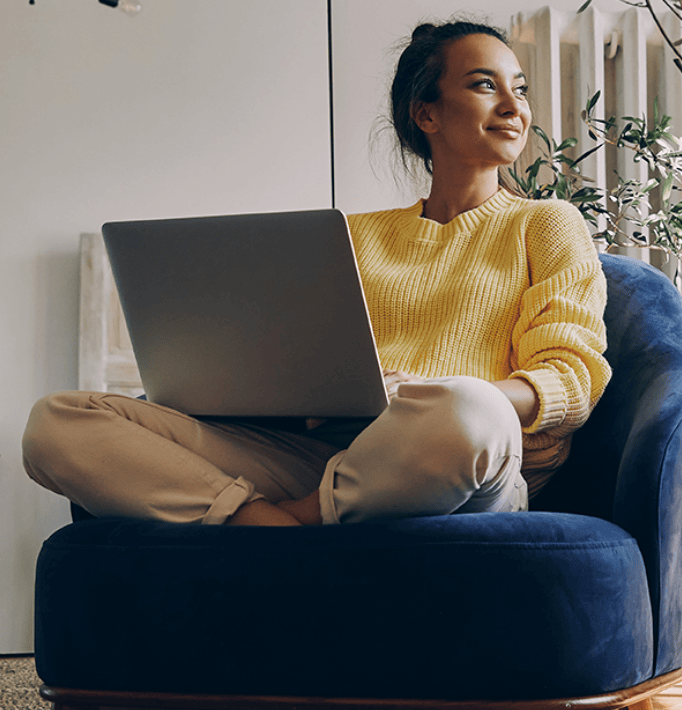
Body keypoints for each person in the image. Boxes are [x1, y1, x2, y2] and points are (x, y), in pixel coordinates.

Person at [21, 20, 611, 527]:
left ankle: (291, 521)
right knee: (57, 422)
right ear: (425, 113)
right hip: (319, 456)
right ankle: (260, 520)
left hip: (463, 463)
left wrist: (417, 393)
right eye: (486, 85)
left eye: (520, 89)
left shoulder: (547, 223)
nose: (515, 107)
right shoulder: (351, 234)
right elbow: (291, 365)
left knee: (467, 408)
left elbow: (571, 377)